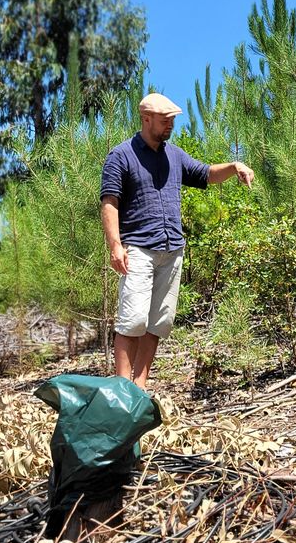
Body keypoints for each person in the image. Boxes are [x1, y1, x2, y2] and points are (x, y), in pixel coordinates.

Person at [100, 92, 254, 389]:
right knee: (132, 321)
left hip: (172, 249)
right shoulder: (121, 155)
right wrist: (115, 245)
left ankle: (140, 387)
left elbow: (206, 174)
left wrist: (234, 166)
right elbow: (109, 202)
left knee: (158, 323)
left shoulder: (175, 155)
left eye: (172, 120)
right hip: (138, 249)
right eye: (164, 120)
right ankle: (122, 388)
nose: (170, 125)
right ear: (146, 119)